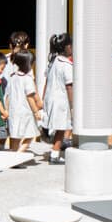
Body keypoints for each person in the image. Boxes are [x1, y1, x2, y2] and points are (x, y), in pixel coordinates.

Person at [41, 31, 73, 164]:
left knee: (59, 127)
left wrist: (43, 99)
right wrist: (73, 105)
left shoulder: (53, 62)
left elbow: (47, 81)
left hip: (50, 98)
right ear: (66, 47)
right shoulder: (66, 64)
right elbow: (69, 86)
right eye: (71, 45)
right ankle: (54, 155)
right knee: (61, 128)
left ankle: (54, 149)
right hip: (60, 99)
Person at [4, 49, 42, 151]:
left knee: (15, 136)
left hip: (13, 112)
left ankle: (13, 156)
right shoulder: (28, 79)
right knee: (30, 135)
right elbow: (30, 97)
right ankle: (18, 155)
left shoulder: (12, 77)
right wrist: (36, 112)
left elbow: (7, 95)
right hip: (25, 113)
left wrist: (6, 110)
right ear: (29, 64)